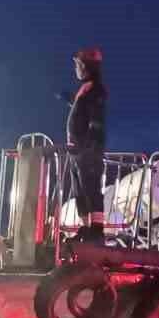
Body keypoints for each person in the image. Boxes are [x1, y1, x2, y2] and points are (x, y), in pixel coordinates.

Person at [63, 47, 107, 242]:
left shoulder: (96, 89)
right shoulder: (87, 88)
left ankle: (96, 229)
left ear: (86, 66)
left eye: (78, 65)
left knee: (90, 187)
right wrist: (71, 100)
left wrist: (90, 142)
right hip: (76, 150)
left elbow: (96, 117)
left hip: (87, 150)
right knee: (79, 189)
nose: (76, 69)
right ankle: (85, 227)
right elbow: (83, 111)